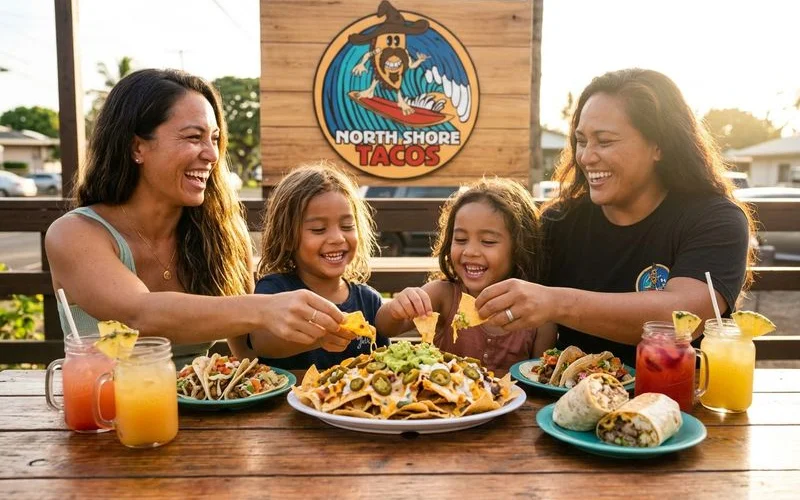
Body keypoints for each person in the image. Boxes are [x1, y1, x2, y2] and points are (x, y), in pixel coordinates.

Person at [45, 69, 345, 368]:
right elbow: (139, 315)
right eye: (193, 137)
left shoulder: (223, 234)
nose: (212, 154)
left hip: (203, 414)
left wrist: (313, 332)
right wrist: (266, 307)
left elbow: (248, 354)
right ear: (138, 147)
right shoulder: (75, 233)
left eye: (214, 139)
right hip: (104, 412)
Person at [474, 68, 755, 365]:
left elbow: (683, 319)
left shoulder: (715, 219)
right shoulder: (559, 220)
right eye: (581, 141)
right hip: (565, 402)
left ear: (659, 145)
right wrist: (426, 300)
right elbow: (492, 287)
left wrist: (555, 302)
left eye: (604, 141)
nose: (585, 156)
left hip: (674, 402)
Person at [375, 178, 557, 375]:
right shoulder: (442, 295)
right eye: (461, 239)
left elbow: (540, 379)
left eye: (487, 241)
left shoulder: (539, 318)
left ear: (520, 247)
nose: (470, 251)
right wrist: (396, 309)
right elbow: (385, 328)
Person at [230, 160, 389, 370]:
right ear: (287, 237)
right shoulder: (275, 290)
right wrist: (319, 338)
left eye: (347, 226)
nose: (337, 238)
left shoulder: (369, 300)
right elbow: (262, 343)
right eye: (318, 229)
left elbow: (384, 362)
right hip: (288, 403)